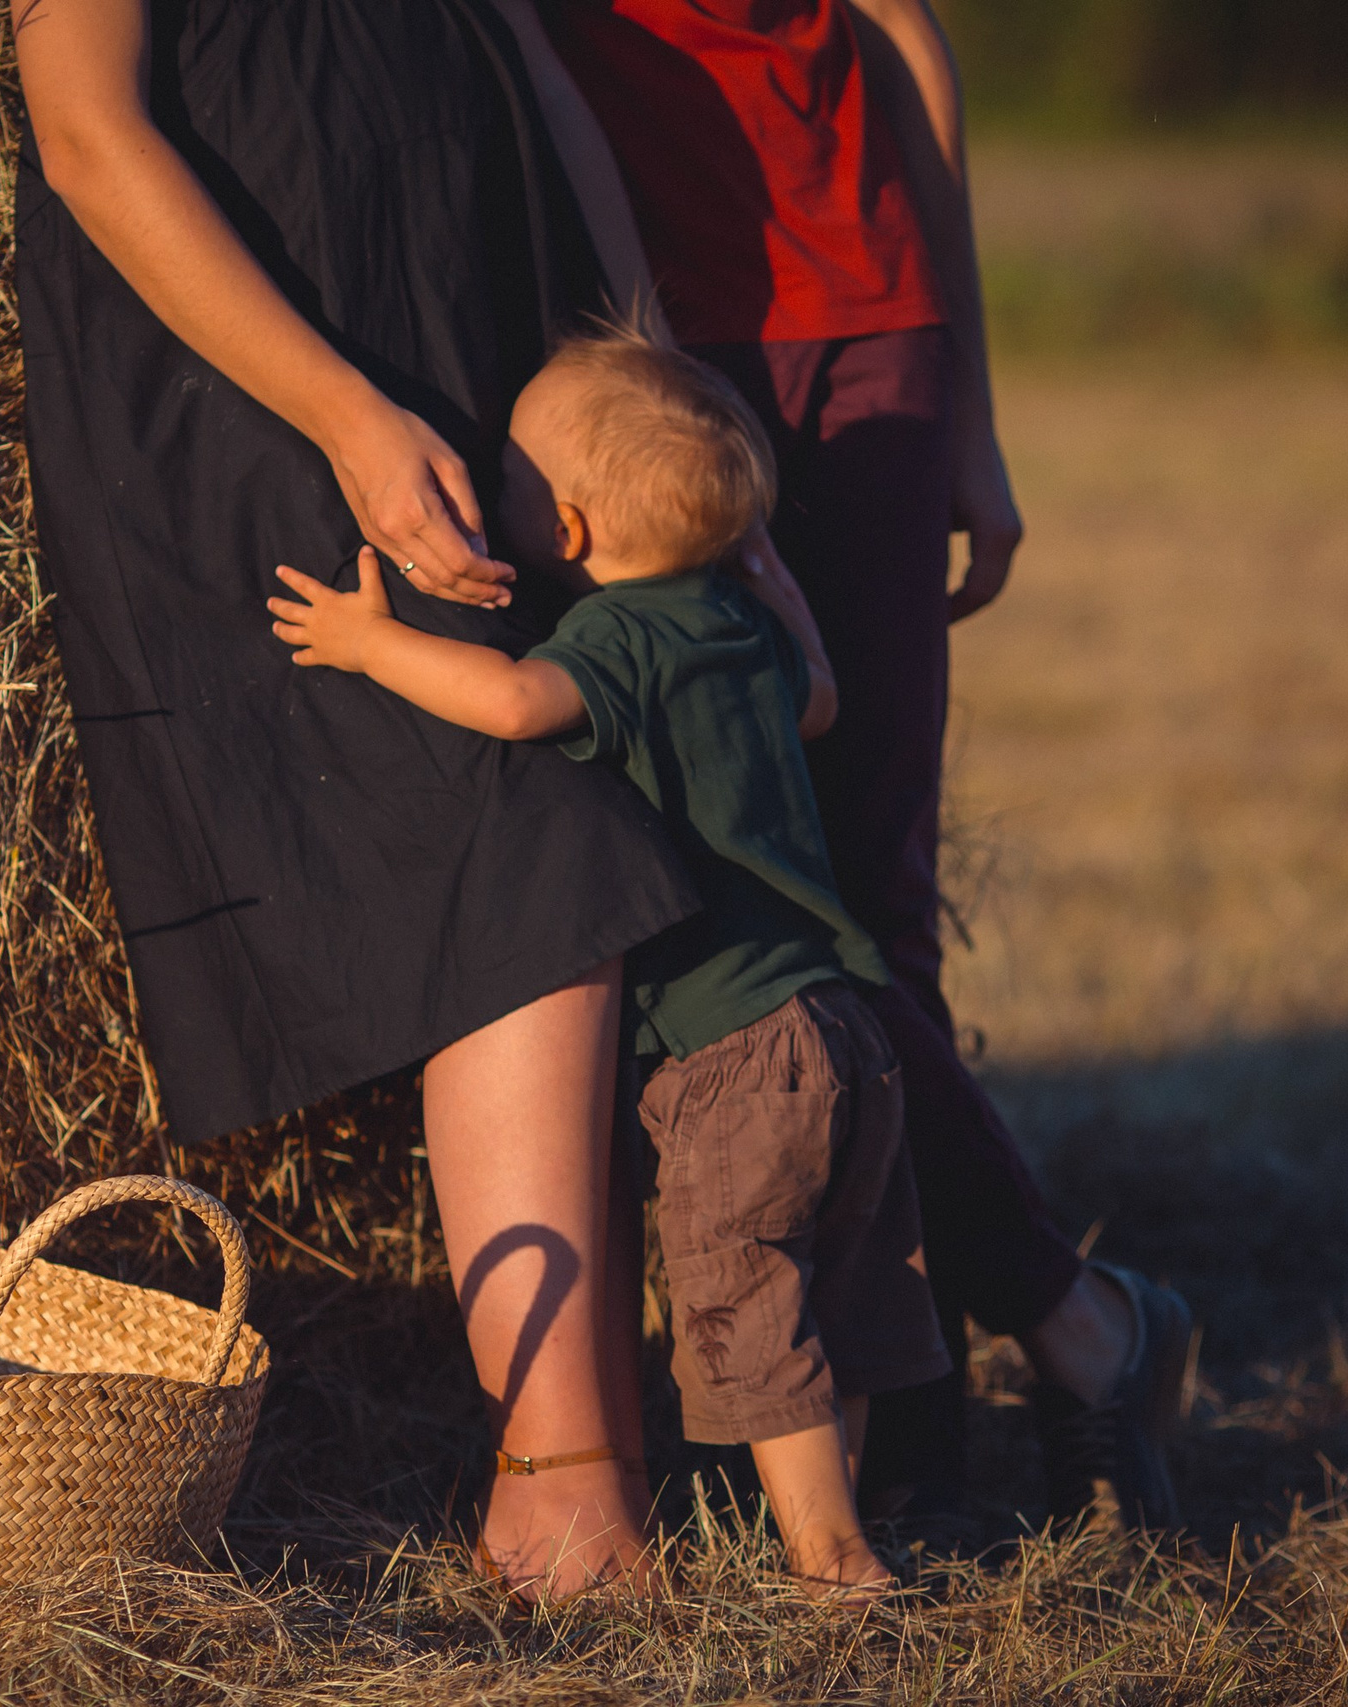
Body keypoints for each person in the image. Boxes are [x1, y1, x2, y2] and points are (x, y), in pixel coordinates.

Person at [12, 0, 703, 1596]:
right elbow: (87, 133)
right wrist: (344, 417)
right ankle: (557, 1485)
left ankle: (606, 1460)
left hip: (486, 362)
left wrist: (656, 390)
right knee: (520, 846)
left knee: (581, 848)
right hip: (262, 404)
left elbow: (541, 86)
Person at [537, 0, 1192, 1534]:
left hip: (866, 337)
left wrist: (968, 402)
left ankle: (918, 1437)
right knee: (738, 905)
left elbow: (906, 44)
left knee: (867, 912)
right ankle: (1085, 1328)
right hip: (640, 368)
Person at [268, 326, 949, 1594]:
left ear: (568, 533)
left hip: (732, 1043)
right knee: (840, 1292)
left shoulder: (617, 639)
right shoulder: (735, 623)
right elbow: (818, 700)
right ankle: (842, 1511)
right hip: (839, 1023)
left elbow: (517, 706)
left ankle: (832, 1556)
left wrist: (370, 646)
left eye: (514, 478)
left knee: (748, 1290)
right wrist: (781, 588)